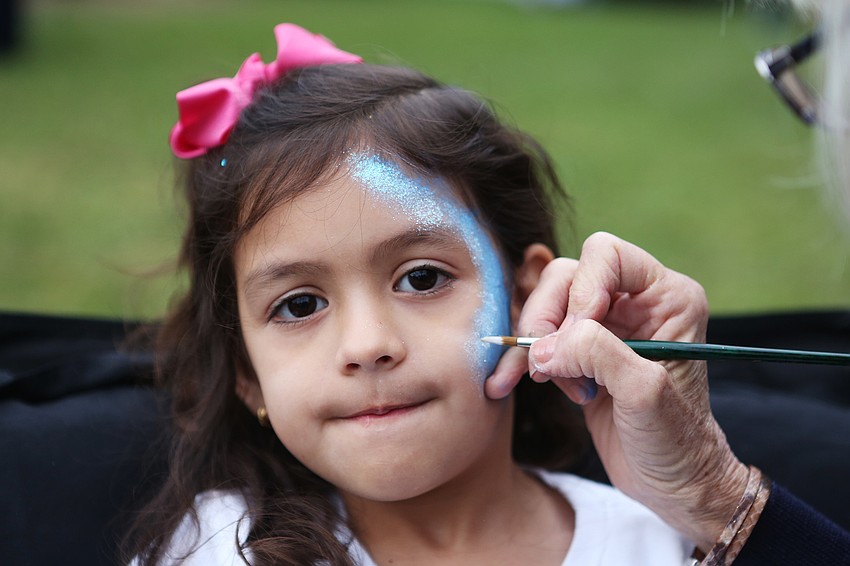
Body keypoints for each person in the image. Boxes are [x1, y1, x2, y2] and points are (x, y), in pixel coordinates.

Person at [125, 21, 849, 566]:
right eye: (299, 305)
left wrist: (719, 503)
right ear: (247, 368)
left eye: (422, 278)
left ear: (532, 298)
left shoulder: (659, 540)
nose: (368, 344)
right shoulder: (220, 549)